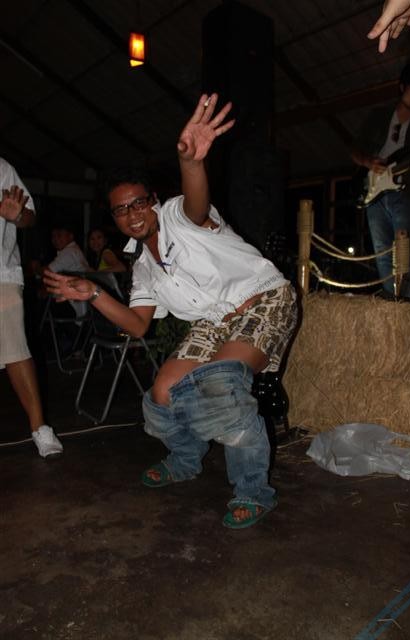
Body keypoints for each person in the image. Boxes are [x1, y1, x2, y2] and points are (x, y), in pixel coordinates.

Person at [44, 94, 298, 529]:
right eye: (121, 209)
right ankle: (185, 459)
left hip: (265, 300)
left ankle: (253, 490)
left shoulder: (179, 217)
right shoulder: (143, 268)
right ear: (114, 218)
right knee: (163, 393)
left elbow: (196, 201)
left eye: (138, 203)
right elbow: (138, 325)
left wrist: (191, 161)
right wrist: (92, 293)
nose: (132, 214)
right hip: (214, 322)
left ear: (153, 200)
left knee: (221, 384)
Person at [0, 158, 63, 457]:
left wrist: (17, 215)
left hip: (0, 273)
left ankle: (40, 428)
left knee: (16, 350)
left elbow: (29, 217)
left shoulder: (1, 168)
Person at [351, 59, 410, 295]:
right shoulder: (379, 116)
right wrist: (368, 162)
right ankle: (391, 301)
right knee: (382, 252)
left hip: (407, 191)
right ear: (402, 87)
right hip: (374, 191)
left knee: (405, 252)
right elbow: (354, 150)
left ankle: (408, 303)